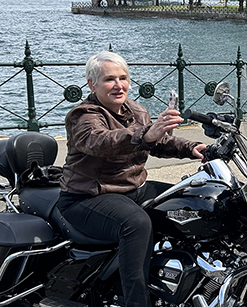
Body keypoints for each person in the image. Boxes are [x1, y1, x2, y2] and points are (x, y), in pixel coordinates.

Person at [58, 51, 206, 307]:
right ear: (92, 84)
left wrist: (193, 147)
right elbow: (100, 141)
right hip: (88, 197)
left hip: (133, 190)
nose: (119, 85)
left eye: (123, 78)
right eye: (109, 79)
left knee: (195, 202)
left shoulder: (136, 110)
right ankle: (136, 302)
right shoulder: (83, 116)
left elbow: (159, 142)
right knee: (136, 223)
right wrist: (146, 135)